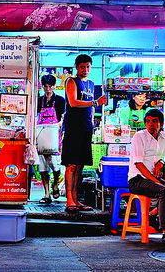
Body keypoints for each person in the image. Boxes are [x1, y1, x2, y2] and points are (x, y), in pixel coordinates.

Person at [127, 109, 165, 245]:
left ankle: (153, 214)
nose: (151, 125)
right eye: (148, 121)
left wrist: (160, 162)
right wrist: (155, 181)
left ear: (161, 123)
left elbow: (162, 155)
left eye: (154, 121)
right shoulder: (139, 137)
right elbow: (139, 164)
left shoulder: (164, 137)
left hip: (153, 178)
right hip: (137, 179)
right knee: (164, 190)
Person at [61, 54, 107, 213]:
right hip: (73, 128)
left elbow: (92, 108)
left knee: (80, 165)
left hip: (87, 127)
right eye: (82, 67)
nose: (85, 69)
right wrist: (95, 102)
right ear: (76, 67)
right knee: (71, 164)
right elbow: (73, 102)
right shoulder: (72, 81)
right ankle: (69, 200)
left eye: (88, 67)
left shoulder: (92, 84)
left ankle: (76, 199)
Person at [36, 74, 66, 204]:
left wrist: (57, 126)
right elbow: (35, 116)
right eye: (45, 86)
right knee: (42, 166)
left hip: (54, 135)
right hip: (41, 135)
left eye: (50, 86)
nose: (47, 89)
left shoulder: (60, 100)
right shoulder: (39, 100)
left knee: (55, 165)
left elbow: (63, 118)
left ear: (54, 86)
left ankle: (55, 183)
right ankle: (47, 194)